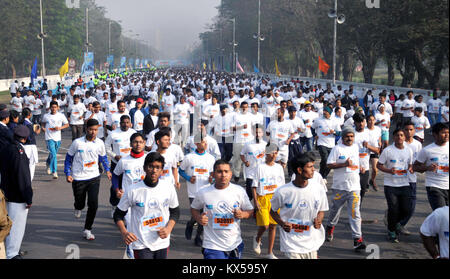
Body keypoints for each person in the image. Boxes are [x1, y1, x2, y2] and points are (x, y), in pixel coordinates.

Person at [113, 152, 180, 259]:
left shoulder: (169, 188)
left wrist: (168, 229)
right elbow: (118, 215)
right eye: (151, 166)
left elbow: (175, 212)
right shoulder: (132, 190)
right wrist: (124, 232)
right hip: (141, 243)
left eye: (158, 167)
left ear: (162, 170)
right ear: (144, 168)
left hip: (162, 242)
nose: (154, 170)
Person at [190, 160, 254, 259]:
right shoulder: (203, 193)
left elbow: (250, 211)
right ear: (213, 174)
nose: (223, 175)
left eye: (226, 171)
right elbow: (194, 208)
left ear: (231, 174)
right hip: (212, 245)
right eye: (219, 172)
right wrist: (199, 218)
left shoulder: (239, 191)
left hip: (234, 244)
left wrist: (243, 214)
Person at [270, 152, 329, 259]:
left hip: (311, 243)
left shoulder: (318, 189)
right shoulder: (282, 191)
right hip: (291, 244)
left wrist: (319, 220)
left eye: (313, 166)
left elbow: (321, 210)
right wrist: (282, 224)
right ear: (299, 170)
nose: (313, 170)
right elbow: (272, 211)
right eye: (310, 167)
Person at [64, 119, 112, 241]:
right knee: (80, 203)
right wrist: (68, 173)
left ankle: (87, 229)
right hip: (78, 177)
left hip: (94, 177)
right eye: (91, 129)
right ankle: (78, 207)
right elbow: (68, 158)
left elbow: (103, 158)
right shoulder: (77, 143)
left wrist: (107, 170)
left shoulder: (100, 143)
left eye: (95, 130)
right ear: (86, 129)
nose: (93, 132)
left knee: (93, 204)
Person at [325, 126, 366, 252]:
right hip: (340, 187)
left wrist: (361, 168)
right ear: (342, 137)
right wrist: (344, 164)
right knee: (335, 210)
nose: (350, 138)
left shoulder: (355, 147)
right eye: (347, 136)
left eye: (352, 136)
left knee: (355, 213)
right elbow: (328, 164)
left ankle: (357, 239)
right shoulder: (337, 149)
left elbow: (356, 162)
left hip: (354, 187)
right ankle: (330, 227)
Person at [0, 125, 32, 259]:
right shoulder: (19, 152)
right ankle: (12, 254)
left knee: (6, 225)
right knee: (16, 228)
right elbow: (23, 177)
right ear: (24, 139)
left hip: (5, 193)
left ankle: (8, 251)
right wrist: (28, 197)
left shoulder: (6, 148)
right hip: (17, 197)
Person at [377, 128, 414, 243]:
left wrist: (411, 169)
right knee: (394, 209)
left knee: (407, 209)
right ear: (394, 137)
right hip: (390, 185)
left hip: (405, 183)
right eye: (397, 135)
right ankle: (391, 231)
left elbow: (410, 165)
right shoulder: (388, 151)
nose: (399, 137)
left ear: (404, 137)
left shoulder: (409, 150)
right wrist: (389, 171)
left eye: (402, 135)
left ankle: (396, 223)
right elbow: (379, 165)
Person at [179, 133, 215, 247]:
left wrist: (211, 179)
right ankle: (190, 224)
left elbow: (213, 174)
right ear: (196, 143)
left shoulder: (211, 158)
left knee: (204, 214)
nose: (203, 144)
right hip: (193, 191)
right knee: (196, 214)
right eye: (201, 142)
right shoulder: (189, 157)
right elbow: (181, 171)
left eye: (205, 142)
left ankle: (198, 236)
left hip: (206, 191)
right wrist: (189, 178)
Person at [251, 143, 285, 259]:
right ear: (266, 153)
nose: (274, 155)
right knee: (265, 225)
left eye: (276, 152)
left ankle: (270, 252)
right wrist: (255, 202)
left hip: (275, 198)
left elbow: (282, 186)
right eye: (272, 152)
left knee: (273, 226)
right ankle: (257, 237)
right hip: (263, 198)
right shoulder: (260, 167)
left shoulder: (279, 167)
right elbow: (254, 186)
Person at [105, 115, 136, 216]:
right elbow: (106, 147)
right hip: (117, 163)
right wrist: (114, 155)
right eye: (124, 122)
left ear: (130, 123)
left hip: (131, 164)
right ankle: (114, 205)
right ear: (120, 123)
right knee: (116, 185)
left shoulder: (133, 133)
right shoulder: (113, 134)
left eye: (128, 122)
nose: (126, 124)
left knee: (130, 185)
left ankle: (130, 208)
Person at [414, 123, 449, 210]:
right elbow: (415, 167)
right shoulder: (427, 150)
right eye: (443, 133)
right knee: (441, 214)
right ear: (435, 134)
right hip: (434, 186)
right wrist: (427, 168)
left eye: (448, 132)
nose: (447, 135)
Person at [399, 122, 422, 235]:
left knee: (411, 205)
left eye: (411, 129)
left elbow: (420, 160)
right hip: (399, 179)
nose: (409, 132)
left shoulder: (417, 144)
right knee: (399, 204)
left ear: (414, 131)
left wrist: (417, 167)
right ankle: (393, 224)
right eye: (406, 130)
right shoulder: (399, 143)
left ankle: (401, 224)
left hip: (412, 178)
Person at [41, 101, 70, 179]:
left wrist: (60, 128)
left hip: (57, 137)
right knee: (54, 154)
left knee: (53, 154)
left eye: (55, 107)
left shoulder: (61, 115)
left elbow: (67, 124)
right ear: (50, 108)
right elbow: (43, 123)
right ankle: (54, 171)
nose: (54, 109)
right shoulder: (46, 116)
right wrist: (43, 128)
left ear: (58, 108)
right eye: (52, 107)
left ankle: (47, 163)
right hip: (49, 137)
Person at [312, 106, 341, 179]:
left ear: (330, 113)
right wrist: (315, 135)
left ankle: (323, 175)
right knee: (325, 158)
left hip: (331, 144)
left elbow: (340, 133)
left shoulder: (334, 121)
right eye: (324, 112)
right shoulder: (318, 120)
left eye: (326, 112)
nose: (324, 113)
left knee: (330, 162)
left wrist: (334, 132)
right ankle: (322, 176)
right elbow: (312, 128)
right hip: (321, 143)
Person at [241, 125, 267, 201]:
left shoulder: (265, 145)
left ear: (262, 133)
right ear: (253, 133)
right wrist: (245, 162)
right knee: (250, 196)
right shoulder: (248, 144)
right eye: (256, 132)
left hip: (262, 174)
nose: (258, 134)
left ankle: (257, 211)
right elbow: (242, 154)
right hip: (250, 174)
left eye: (259, 132)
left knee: (260, 195)